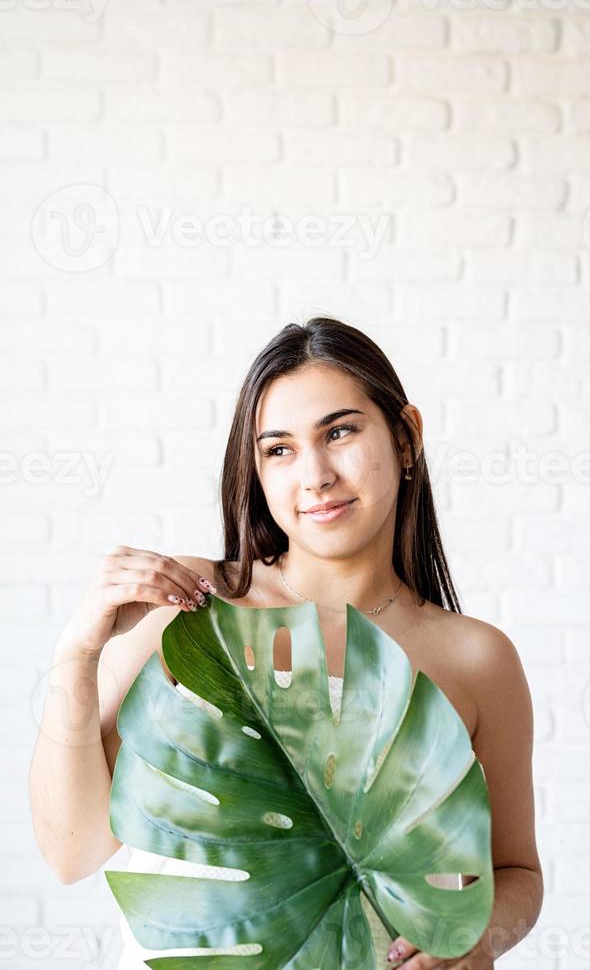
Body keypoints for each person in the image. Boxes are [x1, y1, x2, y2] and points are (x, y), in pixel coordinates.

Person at [30, 315, 544, 967]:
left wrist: (476, 939)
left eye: (340, 431)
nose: (316, 475)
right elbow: (70, 851)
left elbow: (517, 874)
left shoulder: (476, 659)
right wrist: (75, 658)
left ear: (406, 437)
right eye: (280, 449)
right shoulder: (189, 611)